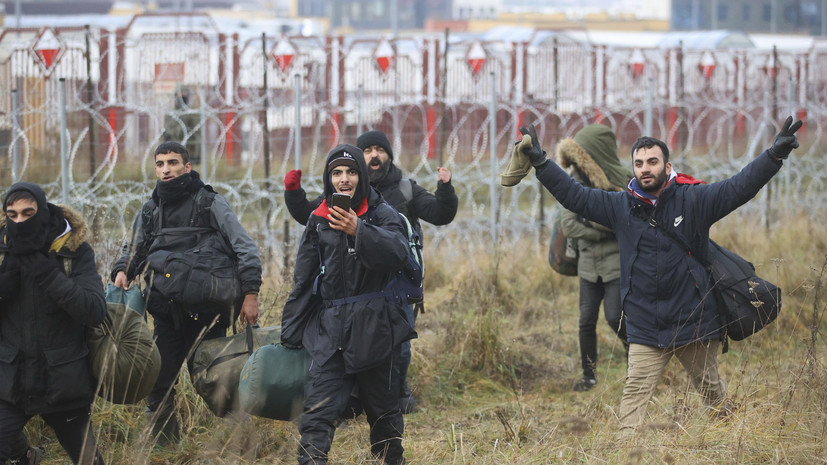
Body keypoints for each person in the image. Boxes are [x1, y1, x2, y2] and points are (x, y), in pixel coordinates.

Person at [507, 116, 802, 436]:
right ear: (632, 168)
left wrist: (773, 156)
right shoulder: (620, 206)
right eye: (638, 163)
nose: (645, 168)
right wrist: (540, 160)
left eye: (652, 161)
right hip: (646, 324)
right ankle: (626, 452)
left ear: (667, 165)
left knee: (712, 393)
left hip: (694, 321)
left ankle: (730, 441)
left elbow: (738, 187)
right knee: (633, 395)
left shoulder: (694, 199)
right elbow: (574, 195)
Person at [284, 130, 457, 413]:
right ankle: (357, 401)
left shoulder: (404, 189)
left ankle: (397, 396)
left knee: (397, 343)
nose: (374, 155)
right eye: (368, 150)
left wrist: (445, 189)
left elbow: (440, 213)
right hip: (353, 287)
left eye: (380, 149)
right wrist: (293, 193)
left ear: (389, 155)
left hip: (397, 282)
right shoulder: (343, 191)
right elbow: (311, 216)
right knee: (353, 344)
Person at [111, 141, 262, 444]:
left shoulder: (208, 203)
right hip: (167, 316)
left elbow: (244, 247)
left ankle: (241, 447)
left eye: (172, 163)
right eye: (160, 164)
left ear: (187, 167)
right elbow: (135, 249)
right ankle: (165, 449)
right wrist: (123, 270)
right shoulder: (151, 210)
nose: (166, 169)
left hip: (208, 314)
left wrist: (250, 295)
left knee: (218, 384)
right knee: (158, 385)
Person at [280, 144, 416, 465]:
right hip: (330, 335)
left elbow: (399, 253)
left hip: (376, 333)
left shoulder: (383, 214)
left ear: (362, 176)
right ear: (329, 179)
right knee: (316, 417)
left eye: (351, 172)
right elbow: (304, 280)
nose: (344, 179)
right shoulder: (318, 219)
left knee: (384, 419)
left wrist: (360, 230)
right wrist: (290, 335)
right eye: (336, 173)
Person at [0, 182, 107, 464]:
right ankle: (25, 457)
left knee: (87, 459)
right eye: (12, 215)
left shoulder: (73, 251)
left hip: (63, 382)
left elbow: (94, 310)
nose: (19, 221)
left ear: (43, 212)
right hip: (11, 382)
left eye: (28, 213)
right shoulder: (3, 251)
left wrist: (48, 275)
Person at [556, 124, 631, 392]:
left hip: (614, 265)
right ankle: (589, 376)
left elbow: (623, 223)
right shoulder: (573, 181)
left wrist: (592, 222)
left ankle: (637, 360)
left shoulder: (620, 182)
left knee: (615, 317)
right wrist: (605, 226)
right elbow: (570, 226)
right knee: (585, 321)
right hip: (588, 267)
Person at [163, 85, 201, 164]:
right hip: (171, 152)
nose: (181, 97)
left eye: (183, 95)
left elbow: (197, 136)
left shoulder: (192, 114)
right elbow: (164, 133)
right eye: (179, 95)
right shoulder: (170, 114)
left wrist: (196, 155)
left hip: (186, 152)